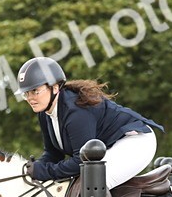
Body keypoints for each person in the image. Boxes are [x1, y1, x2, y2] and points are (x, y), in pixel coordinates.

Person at [17, 57, 163, 189]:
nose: (30, 98)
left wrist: (44, 171)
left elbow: (80, 162)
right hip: (107, 148)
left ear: (55, 88)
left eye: (35, 91)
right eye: (26, 93)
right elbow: (53, 153)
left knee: (93, 184)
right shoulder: (45, 113)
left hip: (135, 142)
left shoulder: (75, 111)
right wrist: (33, 168)